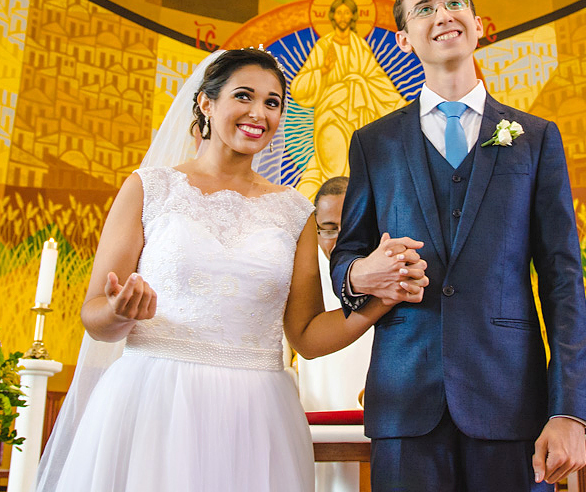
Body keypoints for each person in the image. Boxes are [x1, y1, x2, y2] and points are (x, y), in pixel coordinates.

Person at [35, 48, 428, 492]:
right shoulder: (149, 188)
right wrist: (120, 312)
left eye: (273, 102)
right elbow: (95, 318)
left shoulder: (294, 211)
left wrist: (382, 300)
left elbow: (307, 337)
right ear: (206, 102)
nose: (258, 113)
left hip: (255, 411)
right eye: (244, 96)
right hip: (155, 399)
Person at [330, 0, 586, 492]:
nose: (442, 15)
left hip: (511, 399)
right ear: (404, 38)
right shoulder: (373, 144)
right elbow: (346, 256)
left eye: (454, 3)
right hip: (406, 399)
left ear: (478, 23)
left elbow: (563, 279)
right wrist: (363, 273)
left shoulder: (536, 138)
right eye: (423, 8)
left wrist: (569, 411)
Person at [296, 176, 373, 492]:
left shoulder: (384, 276)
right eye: (327, 229)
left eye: (349, 226)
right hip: (319, 407)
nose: (339, 239)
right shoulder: (302, 278)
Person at [291, 0, 404, 200]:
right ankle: (329, 215)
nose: (343, 17)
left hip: (358, 116)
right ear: (332, 16)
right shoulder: (324, 46)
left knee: (357, 166)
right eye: (339, 12)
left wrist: (400, 106)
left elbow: (375, 76)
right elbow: (300, 87)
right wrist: (322, 71)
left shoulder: (359, 45)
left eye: (347, 12)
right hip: (331, 113)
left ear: (353, 16)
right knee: (332, 161)